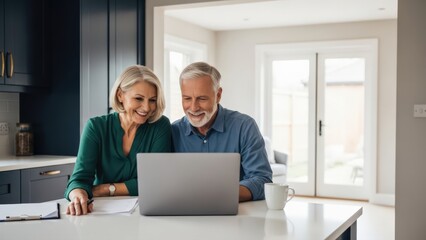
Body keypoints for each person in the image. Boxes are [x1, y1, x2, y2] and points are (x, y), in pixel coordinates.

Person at [64, 65, 171, 215]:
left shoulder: (160, 126)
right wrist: (78, 195)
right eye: (138, 98)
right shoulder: (96, 127)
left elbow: (156, 181)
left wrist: (105, 189)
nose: (146, 108)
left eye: (152, 100)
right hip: (101, 213)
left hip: (146, 213)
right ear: (120, 95)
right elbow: (79, 179)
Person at [171, 62, 272, 202]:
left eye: (202, 98)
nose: (193, 108)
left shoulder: (244, 126)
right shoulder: (173, 131)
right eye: (187, 98)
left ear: (218, 95)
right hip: (186, 214)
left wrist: (218, 195)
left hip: (237, 216)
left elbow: (262, 180)